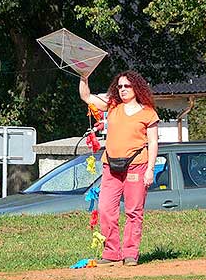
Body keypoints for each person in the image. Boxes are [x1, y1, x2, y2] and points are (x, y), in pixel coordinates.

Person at [79, 70, 159, 267]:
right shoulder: (113, 106)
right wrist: (83, 76)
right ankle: (111, 253)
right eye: (120, 86)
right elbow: (86, 97)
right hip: (111, 165)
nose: (122, 89)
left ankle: (131, 253)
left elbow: (153, 143)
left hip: (137, 165)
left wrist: (150, 169)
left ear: (136, 88)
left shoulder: (148, 112)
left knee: (133, 211)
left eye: (127, 86)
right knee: (105, 209)